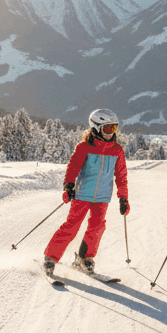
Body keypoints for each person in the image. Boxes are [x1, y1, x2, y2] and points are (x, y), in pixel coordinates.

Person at [43, 109, 129, 278]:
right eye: (108, 129)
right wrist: (68, 185)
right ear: (96, 128)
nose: (112, 133)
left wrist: (123, 198)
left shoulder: (117, 150)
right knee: (72, 226)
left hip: (102, 197)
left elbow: (121, 175)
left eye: (114, 129)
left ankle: (84, 259)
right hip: (83, 194)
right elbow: (73, 166)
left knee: (97, 228)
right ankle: (50, 258)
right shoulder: (84, 147)